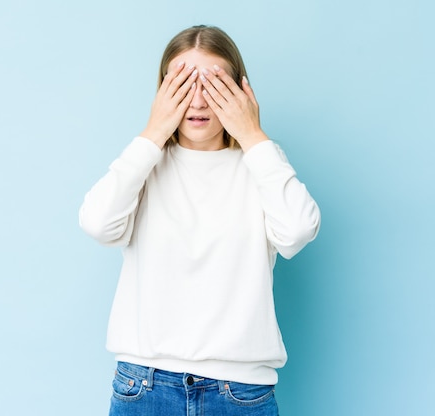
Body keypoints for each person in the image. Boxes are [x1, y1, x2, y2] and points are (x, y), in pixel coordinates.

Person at [79, 25, 321, 416]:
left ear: (241, 92)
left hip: (241, 392)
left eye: (213, 85)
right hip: (145, 385)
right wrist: (154, 133)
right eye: (182, 83)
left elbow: (297, 230)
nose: (198, 100)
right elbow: (97, 223)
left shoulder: (262, 163)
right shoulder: (144, 163)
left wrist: (253, 135)